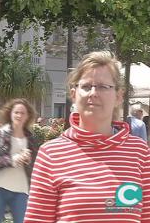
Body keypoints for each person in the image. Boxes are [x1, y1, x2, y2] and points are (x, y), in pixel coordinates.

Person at [24, 51, 150, 222]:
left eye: (103, 86)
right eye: (86, 86)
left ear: (118, 96)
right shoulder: (51, 154)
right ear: (74, 94)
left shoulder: (139, 152)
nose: (93, 93)